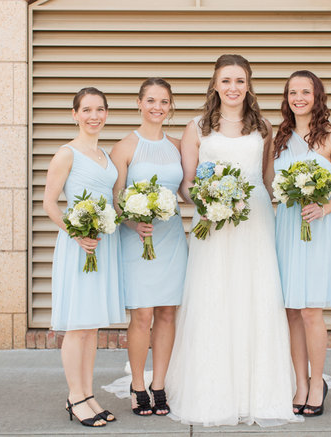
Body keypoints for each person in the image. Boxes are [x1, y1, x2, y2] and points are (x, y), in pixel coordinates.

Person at [164, 54, 299, 427]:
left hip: (255, 219)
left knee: (255, 295)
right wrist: (208, 203)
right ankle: (212, 389)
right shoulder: (197, 127)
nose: (233, 88)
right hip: (212, 223)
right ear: (215, 85)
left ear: (249, 85)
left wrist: (298, 203)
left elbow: (269, 179)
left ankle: (259, 390)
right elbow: (187, 184)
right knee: (214, 295)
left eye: (240, 81)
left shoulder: (264, 127)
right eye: (226, 81)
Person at [272, 70, 331, 417]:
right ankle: (300, 382)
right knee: (291, 310)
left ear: (317, 97)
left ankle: (318, 382)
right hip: (288, 227)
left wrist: (323, 207)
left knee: (310, 311)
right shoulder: (280, 137)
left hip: (318, 227)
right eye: (293, 92)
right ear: (287, 98)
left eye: (306, 91)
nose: (299, 98)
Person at [43, 87, 125, 427]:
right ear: (74, 114)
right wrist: (77, 233)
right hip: (78, 247)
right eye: (87, 110)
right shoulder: (67, 154)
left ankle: (89, 393)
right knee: (77, 326)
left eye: (100, 109)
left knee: (91, 327)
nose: (94, 116)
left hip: (102, 244)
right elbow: (49, 204)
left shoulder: (106, 155)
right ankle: (75, 397)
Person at [110, 78, 188, 416]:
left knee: (168, 312)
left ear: (170, 107)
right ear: (139, 103)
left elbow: (186, 189)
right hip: (138, 237)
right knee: (142, 314)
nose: (158, 107)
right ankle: (138, 384)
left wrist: (215, 202)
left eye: (164, 102)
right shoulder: (125, 146)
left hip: (171, 238)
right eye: (152, 100)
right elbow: (113, 199)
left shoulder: (178, 145)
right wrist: (131, 221)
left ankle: (160, 384)